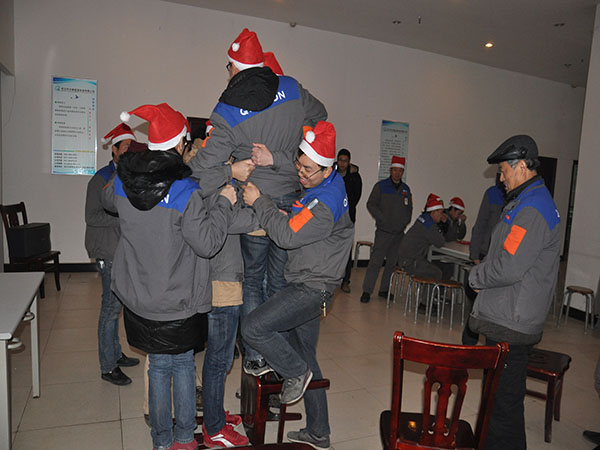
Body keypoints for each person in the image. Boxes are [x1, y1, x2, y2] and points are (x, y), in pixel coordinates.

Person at [188, 28, 327, 375]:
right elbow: (320, 114)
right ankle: (279, 357)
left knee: (252, 280)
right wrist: (289, 152)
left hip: (252, 200)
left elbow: (201, 170)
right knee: (278, 282)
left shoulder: (227, 110)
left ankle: (254, 355)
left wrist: (225, 168)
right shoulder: (291, 87)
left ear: (235, 68)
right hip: (289, 200)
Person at [102, 103, 236, 450]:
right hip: (178, 298)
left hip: (139, 298)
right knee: (182, 365)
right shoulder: (184, 191)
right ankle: (184, 438)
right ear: (179, 144)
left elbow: (108, 201)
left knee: (159, 367)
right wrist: (224, 202)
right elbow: (207, 244)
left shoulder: (122, 184)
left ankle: (161, 442)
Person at [241, 121, 353, 450]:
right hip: (313, 280)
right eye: (299, 165)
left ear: (328, 168)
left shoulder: (326, 202)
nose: (300, 174)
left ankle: (294, 373)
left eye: (307, 170)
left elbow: (288, 236)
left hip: (311, 287)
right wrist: (287, 210)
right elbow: (299, 218)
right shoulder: (326, 184)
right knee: (307, 355)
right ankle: (319, 432)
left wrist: (260, 202)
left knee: (253, 327)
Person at [468, 134, 561, 450]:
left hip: (512, 321)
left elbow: (508, 266)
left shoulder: (532, 208)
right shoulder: (526, 202)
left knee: (503, 409)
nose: (501, 178)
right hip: (508, 315)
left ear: (522, 166)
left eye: (504, 170)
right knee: (497, 402)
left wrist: (476, 276)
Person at [85, 123, 140, 386]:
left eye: (132, 147)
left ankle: (115, 354)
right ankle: (107, 366)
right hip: (106, 249)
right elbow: (92, 217)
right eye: (126, 147)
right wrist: (124, 219)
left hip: (120, 249)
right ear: (115, 150)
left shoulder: (127, 176)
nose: (129, 151)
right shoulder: (101, 179)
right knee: (110, 308)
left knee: (116, 306)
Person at [360, 156, 412, 303]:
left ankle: (384, 289)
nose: (397, 173)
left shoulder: (406, 189)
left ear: (402, 172)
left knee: (391, 264)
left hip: (399, 234)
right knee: (375, 262)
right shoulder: (381, 186)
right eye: (395, 170)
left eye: (400, 171)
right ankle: (367, 291)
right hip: (383, 232)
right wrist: (382, 218)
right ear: (390, 170)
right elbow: (371, 204)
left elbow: (409, 209)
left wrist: (405, 221)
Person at [462, 178, 505, 345]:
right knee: (476, 305)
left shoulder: (521, 198)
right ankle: (468, 344)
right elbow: (479, 225)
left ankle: (492, 348)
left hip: (503, 260)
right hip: (484, 257)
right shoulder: (492, 194)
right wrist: (475, 255)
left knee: (495, 308)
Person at [397, 193, 446, 282]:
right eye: (441, 212)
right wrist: (443, 223)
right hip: (410, 261)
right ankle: (426, 292)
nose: (442, 215)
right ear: (434, 212)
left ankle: (425, 290)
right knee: (437, 273)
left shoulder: (423, 218)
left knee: (433, 266)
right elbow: (440, 242)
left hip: (404, 258)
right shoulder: (429, 225)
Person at [336, 149, 362, 293]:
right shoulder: (331, 173)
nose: (342, 163)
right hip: (331, 217)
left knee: (346, 250)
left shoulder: (354, 176)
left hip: (347, 217)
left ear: (349, 162)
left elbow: (356, 196)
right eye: (340, 160)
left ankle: (346, 281)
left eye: (345, 161)